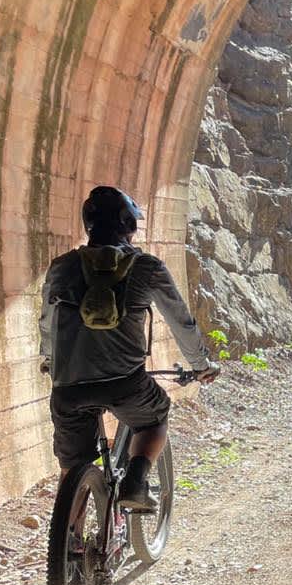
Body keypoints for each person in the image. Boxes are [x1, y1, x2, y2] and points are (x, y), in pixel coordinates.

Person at [39, 186, 219, 512]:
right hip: (126, 383)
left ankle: (70, 547)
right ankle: (136, 482)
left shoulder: (61, 267)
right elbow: (182, 322)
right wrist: (200, 363)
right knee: (155, 416)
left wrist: (51, 360)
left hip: (68, 388)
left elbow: (47, 321)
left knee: (72, 467)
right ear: (128, 227)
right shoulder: (146, 267)